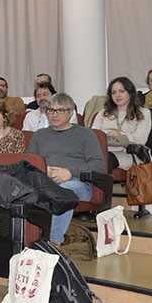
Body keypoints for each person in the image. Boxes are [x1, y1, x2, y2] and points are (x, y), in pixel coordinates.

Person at [28, 93, 105, 244]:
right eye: (51, 110)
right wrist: (45, 169)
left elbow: (98, 164)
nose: (54, 115)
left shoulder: (85, 134)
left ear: (71, 113)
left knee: (62, 193)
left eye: (60, 111)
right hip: (45, 181)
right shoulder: (39, 135)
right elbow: (29, 162)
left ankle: (53, 243)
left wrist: (70, 173)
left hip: (77, 183)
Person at [91, 77, 152, 171]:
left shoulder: (143, 113)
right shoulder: (103, 113)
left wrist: (121, 135)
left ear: (130, 92)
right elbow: (94, 135)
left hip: (128, 154)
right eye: (114, 92)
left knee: (103, 160)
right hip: (104, 150)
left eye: (122, 91)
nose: (117, 95)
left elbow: (141, 139)